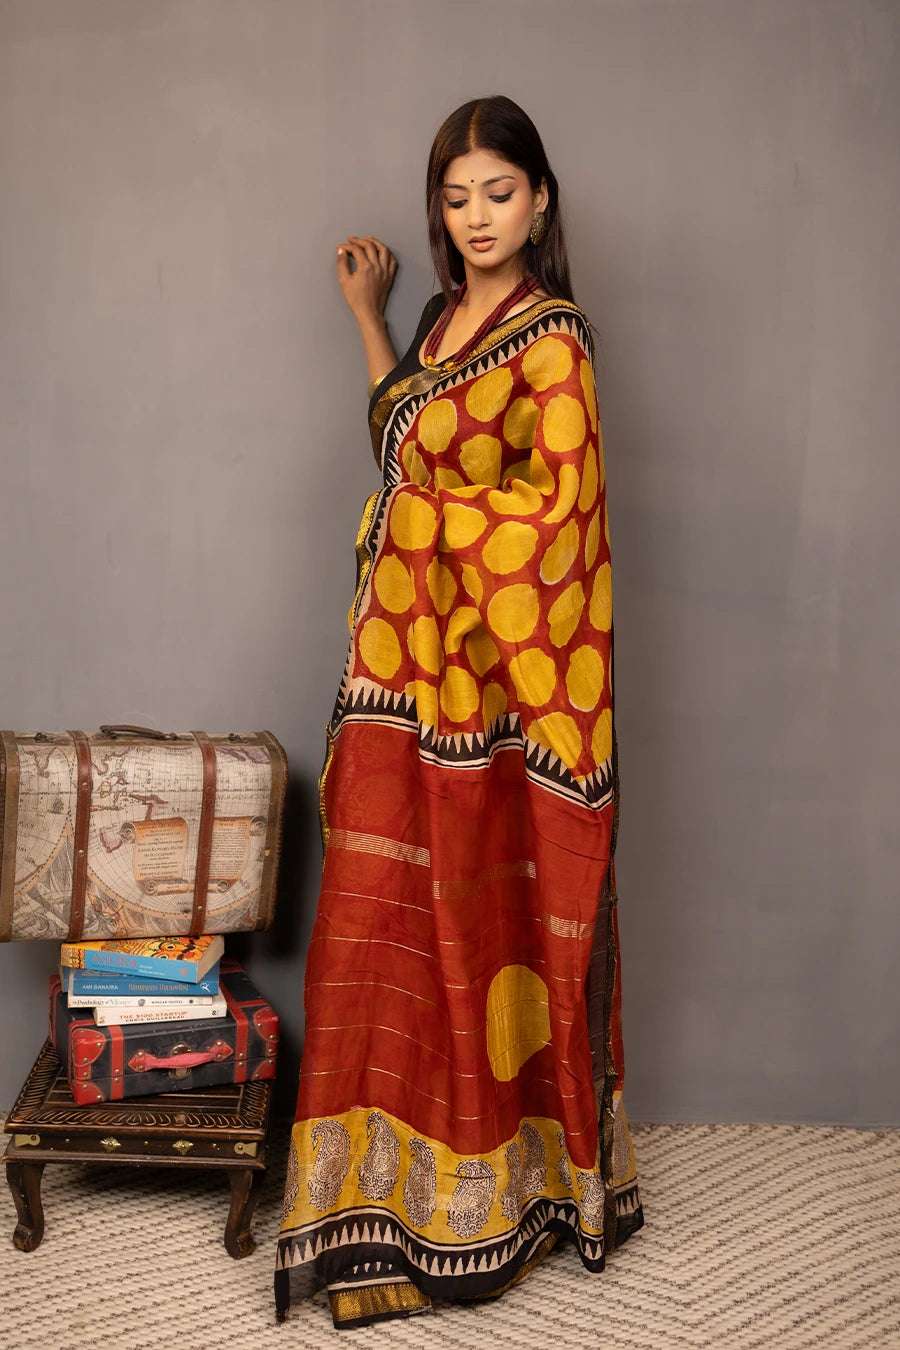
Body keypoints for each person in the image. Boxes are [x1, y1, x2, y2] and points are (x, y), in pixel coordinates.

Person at [275, 94, 643, 1330]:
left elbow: (556, 527)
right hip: (409, 681)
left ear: (540, 197)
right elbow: (404, 451)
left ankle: (507, 1199)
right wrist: (370, 321)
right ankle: (387, 1194)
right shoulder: (440, 320)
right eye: (456, 196)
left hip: (503, 705)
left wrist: (423, 522)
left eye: (498, 191)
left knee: (484, 927)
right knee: (385, 905)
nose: (477, 216)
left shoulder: (556, 342)